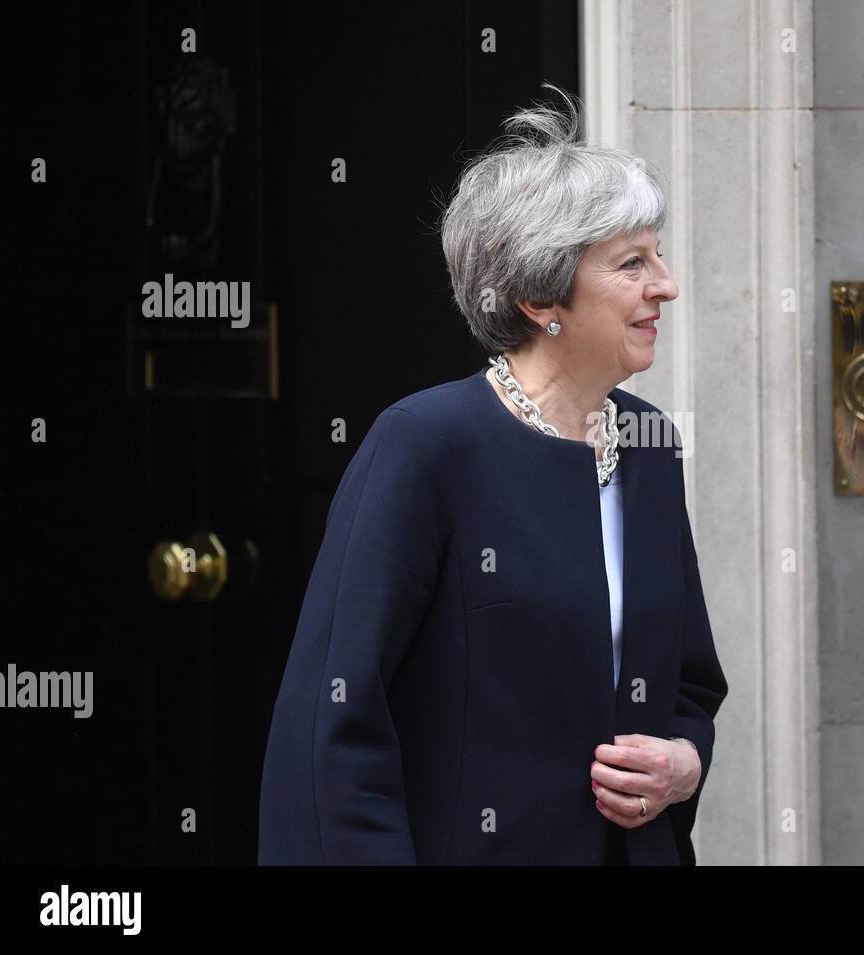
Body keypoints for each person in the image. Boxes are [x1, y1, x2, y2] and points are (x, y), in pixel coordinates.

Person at [257, 82, 728, 865]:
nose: (666, 284)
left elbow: (688, 685)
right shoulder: (425, 446)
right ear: (543, 294)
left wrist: (684, 762)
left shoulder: (649, 443)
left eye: (658, 255)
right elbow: (334, 723)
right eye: (632, 262)